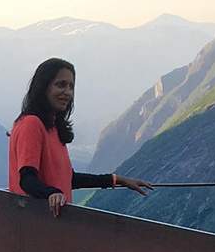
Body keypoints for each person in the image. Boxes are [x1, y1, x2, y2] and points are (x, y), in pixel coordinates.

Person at [9, 57, 153, 216]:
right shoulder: (32, 124)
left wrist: (117, 180)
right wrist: (51, 193)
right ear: (43, 87)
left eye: (71, 86)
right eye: (60, 85)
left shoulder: (53, 127)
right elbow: (27, 179)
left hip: (51, 223)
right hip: (35, 223)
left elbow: (69, 179)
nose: (67, 92)